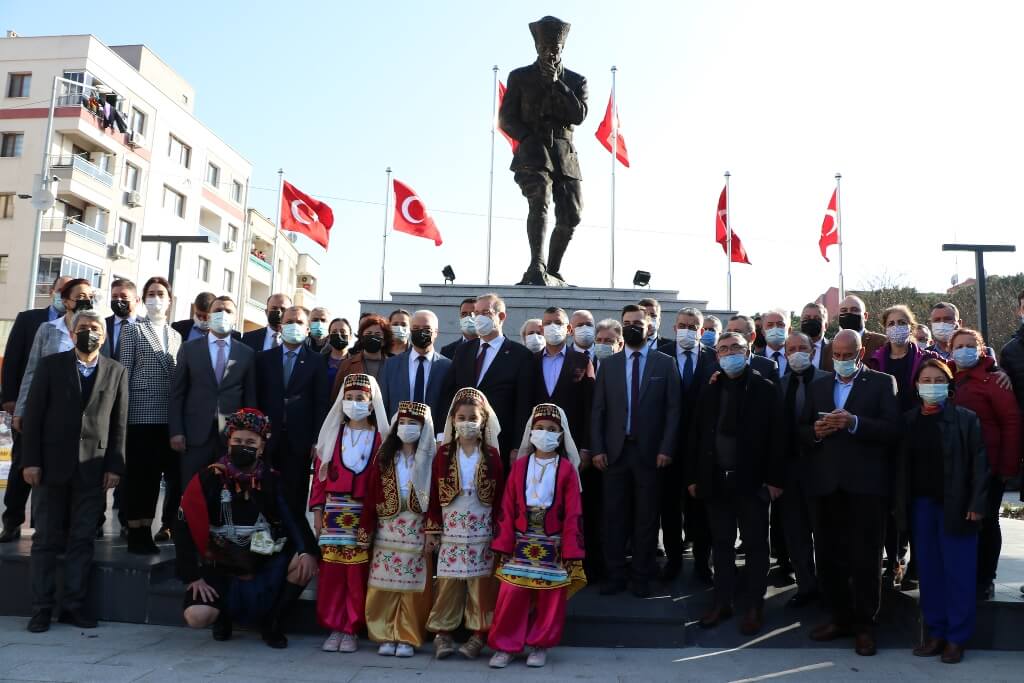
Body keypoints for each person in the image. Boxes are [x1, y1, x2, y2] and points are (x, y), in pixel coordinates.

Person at [176, 409, 319, 648]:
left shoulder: (272, 481)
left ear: (262, 447)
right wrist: (192, 576)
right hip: (220, 567)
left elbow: (294, 519)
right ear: (229, 442)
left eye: (251, 442)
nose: (244, 446)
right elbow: (183, 526)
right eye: (238, 441)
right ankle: (222, 618)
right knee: (196, 617)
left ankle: (273, 622)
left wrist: (307, 551)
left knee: (305, 561)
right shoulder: (208, 478)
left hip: (264, 565)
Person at [21, 309, 127, 632]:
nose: (89, 332)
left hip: (93, 470)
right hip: (50, 467)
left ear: (104, 335)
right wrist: (31, 461)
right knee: (45, 540)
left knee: (82, 539)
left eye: (95, 328)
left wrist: (115, 465)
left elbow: (119, 424)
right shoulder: (51, 366)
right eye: (83, 327)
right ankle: (41, 608)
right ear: (72, 331)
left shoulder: (116, 371)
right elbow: (34, 417)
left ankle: (73, 606)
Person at [800, 329, 902, 656]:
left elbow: (892, 430)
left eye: (848, 355)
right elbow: (801, 430)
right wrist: (815, 431)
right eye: (837, 356)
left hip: (866, 487)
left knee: (865, 559)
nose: (842, 361)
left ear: (860, 353)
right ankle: (839, 618)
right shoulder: (817, 386)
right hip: (826, 486)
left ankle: (865, 626)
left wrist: (855, 422)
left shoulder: (883, 383)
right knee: (829, 557)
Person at [688, 332, 783, 635]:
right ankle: (722, 602)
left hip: (753, 484)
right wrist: (694, 478)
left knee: (756, 547)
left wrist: (774, 480)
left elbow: (778, 439)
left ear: (747, 352)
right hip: (716, 482)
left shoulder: (765, 389)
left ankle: (754, 606)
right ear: (716, 356)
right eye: (723, 349)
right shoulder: (709, 389)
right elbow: (697, 435)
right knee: (722, 545)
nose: (729, 354)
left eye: (735, 349)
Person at [895, 360, 988, 664]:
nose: (931, 384)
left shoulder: (966, 419)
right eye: (926, 379)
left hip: (957, 506)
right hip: (921, 506)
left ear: (948, 385)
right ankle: (935, 633)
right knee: (931, 574)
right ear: (917, 385)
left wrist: (976, 504)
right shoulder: (908, 421)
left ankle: (956, 639)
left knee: (958, 573)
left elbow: (979, 465)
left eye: (938, 379)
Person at [591, 304, 681, 598]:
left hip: (651, 454)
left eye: (637, 322)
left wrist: (667, 447)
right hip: (615, 454)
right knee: (614, 517)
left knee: (646, 518)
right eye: (627, 322)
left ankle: (642, 575)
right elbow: (599, 411)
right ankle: (615, 574)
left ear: (649, 325)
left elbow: (673, 410)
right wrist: (598, 448)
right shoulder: (610, 365)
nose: (632, 326)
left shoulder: (665, 363)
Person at [488, 403, 586, 669]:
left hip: (552, 543)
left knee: (550, 596)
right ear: (530, 432)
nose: (545, 433)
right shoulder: (520, 466)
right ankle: (505, 645)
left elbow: (574, 513)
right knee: (512, 594)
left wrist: (570, 550)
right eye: (540, 428)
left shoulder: (566, 468)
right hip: (520, 540)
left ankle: (540, 645)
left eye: (552, 430)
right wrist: (504, 543)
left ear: (561, 435)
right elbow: (507, 507)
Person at [498, 15, 586, 286]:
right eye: (545, 47)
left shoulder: (575, 80)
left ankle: (553, 269)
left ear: (562, 49)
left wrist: (558, 85)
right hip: (533, 150)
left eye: (555, 48)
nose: (550, 52)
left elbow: (579, 115)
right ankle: (536, 264)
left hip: (564, 152)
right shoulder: (520, 76)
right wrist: (527, 138)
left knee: (572, 215)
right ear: (537, 48)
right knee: (540, 200)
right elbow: (506, 118)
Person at [425, 387, 504, 660]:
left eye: (473, 417)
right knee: (447, 582)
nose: (467, 422)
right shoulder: (444, 454)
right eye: (461, 417)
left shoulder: (492, 456)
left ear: (483, 420)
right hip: (451, 528)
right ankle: (442, 633)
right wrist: (432, 530)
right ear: (453, 421)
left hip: (482, 529)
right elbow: (434, 495)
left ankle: (478, 635)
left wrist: (499, 531)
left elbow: (501, 496)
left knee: (480, 584)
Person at [310, 373, 387, 653]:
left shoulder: (380, 438)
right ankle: (333, 625)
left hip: (362, 514)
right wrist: (317, 512)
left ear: (371, 403)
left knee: (356, 572)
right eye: (349, 398)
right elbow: (319, 478)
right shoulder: (332, 435)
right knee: (331, 571)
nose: (354, 403)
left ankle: (351, 628)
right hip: (333, 512)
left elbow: (382, 480)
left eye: (360, 399)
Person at [869, 305, 942, 589]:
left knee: (914, 505)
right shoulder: (875, 361)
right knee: (888, 505)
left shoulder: (927, 359)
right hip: (884, 443)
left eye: (902, 322)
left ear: (911, 327)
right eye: (891, 322)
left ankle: (916, 565)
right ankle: (893, 560)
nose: (896, 327)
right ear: (884, 327)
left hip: (918, 443)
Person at [358, 401, 436, 658]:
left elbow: (435, 499)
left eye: (412, 423)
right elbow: (371, 496)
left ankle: (407, 636)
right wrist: (365, 528)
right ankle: (384, 633)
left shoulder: (430, 461)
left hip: (416, 530)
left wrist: (432, 533)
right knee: (383, 586)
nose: (406, 428)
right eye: (402, 423)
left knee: (413, 588)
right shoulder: (384, 458)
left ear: (423, 428)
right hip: (386, 531)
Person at [948, 328, 1020, 600]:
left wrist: (1007, 468)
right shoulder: (946, 378)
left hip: (989, 468)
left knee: (987, 522)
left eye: (970, 345)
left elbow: (1011, 424)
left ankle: (985, 579)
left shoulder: (994, 382)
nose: (964, 350)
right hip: (956, 469)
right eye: (959, 345)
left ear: (980, 349)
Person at [0, 275, 72, 542]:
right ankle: (12, 520)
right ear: (53, 291)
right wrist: (11, 398)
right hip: (30, 406)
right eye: (61, 290)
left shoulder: (85, 325)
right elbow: (15, 360)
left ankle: (48, 525)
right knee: (23, 461)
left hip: (63, 413)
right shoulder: (30, 319)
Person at [117, 277, 183, 553]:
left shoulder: (177, 336)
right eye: (151, 294)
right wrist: (121, 416)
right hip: (139, 416)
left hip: (167, 419)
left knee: (159, 479)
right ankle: (137, 531)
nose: (157, 298)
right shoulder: (133, 331)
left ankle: (152, 525)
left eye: (161, 294)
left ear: (169, 300)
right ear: (144, 299)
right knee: (139, 478)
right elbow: (124, 373)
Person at [169, 296, 257, 487]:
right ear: (208, 316)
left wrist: (249, 436)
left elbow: (249, 397)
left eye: (228, 311)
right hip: (194, 434)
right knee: (192, 489)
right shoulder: (189, 348)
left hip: (230, 437)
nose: (222, 315)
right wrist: (176, 431)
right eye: (218, 310)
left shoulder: (246, 353)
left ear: (235, 318)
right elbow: (177, 393)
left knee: (225, 492)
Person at [660, 307, 718, 583]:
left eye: (693, 326)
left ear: (702, 330)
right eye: (682, 325)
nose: (687, 330)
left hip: (703, 447)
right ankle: (672, 561)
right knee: (669, 508)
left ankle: (701, 563)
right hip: (667, 446)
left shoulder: (714, 358)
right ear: (674, 328)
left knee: (700, 508)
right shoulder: (660, 357)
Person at [442, 293, 533, 468]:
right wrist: (442, 436)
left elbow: (523, 404)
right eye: (476, 313)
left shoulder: (520, 355)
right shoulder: (463, 351)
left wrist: (517, 446)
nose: (478, 317)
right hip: (462, 440)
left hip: (500, 443)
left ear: (501, 316)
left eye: (485, 312)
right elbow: (449, 393)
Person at [254, 306, 329, 516]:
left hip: (300, 441)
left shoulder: (316, 362)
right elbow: (256, 397)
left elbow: (321, 403)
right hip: (268, 438)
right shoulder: (263, 359)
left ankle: (293, 542)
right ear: (280, 326)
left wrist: (317, 440)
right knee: (264, 490)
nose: (293, 326)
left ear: (307, 329)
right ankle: (265, 538)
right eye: (289, 322)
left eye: (299, 322)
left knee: (295, 494)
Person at [778, 332, 829, 606]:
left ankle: (828, 583)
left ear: (812, 351)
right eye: (791, 348)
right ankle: (805, 585)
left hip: (822, 466)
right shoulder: (779, 383)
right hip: (789, 469)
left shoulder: (827, 380)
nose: (797, 352)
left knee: (823, 530)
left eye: (802, 348)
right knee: (795, 532)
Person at [14, 279, 96, 425]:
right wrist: (21, 410)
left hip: (82, 406)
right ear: (66, 301)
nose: (87, 301)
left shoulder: (97, 332)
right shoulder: (47, 329)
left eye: (90, 297)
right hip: (48, 403)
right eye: (81, 297)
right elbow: (31, 371)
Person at [381, 310, 452, 428]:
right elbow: (384, 404)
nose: (421, 331)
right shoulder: (391, 365)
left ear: (436, 332)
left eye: (426, 328)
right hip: (398, 435)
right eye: (416, 328)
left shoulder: (447, 366)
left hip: (433, 437)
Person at [330, 314, 392, 403]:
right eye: (368, 334)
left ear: (385, 341)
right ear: (362, 338)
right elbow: (336, 398)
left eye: (377, 334)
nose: (372, 337)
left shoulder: (393, 366)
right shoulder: (347, 364)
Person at [827, 294, 887, 359]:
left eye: (854, 310)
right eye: (844, 311)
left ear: (865, 316)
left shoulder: (881, 342)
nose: (849, 313)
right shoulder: (829, 349)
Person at [726, 315, 779, 386]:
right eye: (728, 333)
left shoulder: (768, 366)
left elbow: (775, 395)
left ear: (752, 336)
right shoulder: (716, 369)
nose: (731, 337)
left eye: (737, 332)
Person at [103, 278, 139, 359]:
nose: (118, 300)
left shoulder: (146, 326)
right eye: (114, 296)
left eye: (124, 297)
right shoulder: (102, 324)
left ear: (137, 300)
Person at [758, 309, 790, 378]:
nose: (775, 328)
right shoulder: (754, 360)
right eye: (770, 325)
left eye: (780, 324)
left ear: (789, 330)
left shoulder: (797, 357)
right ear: (763, 332)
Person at [799, 303, 830, 370]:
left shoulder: (833, 349)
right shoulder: (791, 349)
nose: (811, 321)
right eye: (807, 318)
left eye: (817, 319)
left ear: (826, 326)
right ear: (800, 323)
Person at [324, 318, 353, 389]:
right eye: (334, 332)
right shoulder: (318, 361)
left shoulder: (356, 363)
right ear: (329, 337)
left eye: (343, 332)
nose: (338, 334)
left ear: (350, 337)